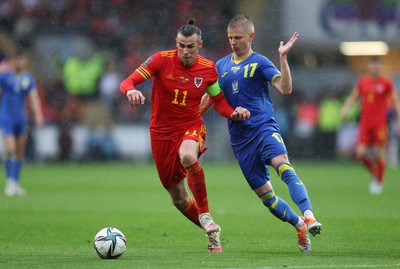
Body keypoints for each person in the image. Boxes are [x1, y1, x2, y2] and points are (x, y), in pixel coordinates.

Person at [119, 18, 250, 253]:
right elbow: (128, 81)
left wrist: (234, 113)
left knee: (189, 157)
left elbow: (218, 101)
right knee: (179, 199)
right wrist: (130, 90)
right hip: (161, 133)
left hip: (191, 126)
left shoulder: (208, 69)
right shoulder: (160, 60)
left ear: (199, 44)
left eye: (190, 46)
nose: (185, 51)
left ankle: (207, 215)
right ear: (176, 43)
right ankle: (211, 231)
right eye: (181, 45)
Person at [201, 15, 321, 252]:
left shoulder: (260, 62)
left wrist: (283, 58)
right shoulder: (220, 66)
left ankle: (308, 215)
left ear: (251, 36)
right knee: (268, 200)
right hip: (240, 140)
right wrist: (189, 123)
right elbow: (208, 100)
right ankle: (298, 224)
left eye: (238, 38)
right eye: (230, 38)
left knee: (283, 167)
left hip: (264, 129)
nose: (233, 42)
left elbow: (285, 88)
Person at [341, 56, 400, 194]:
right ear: (369, 66)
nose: (375, 68)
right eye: (373, 65)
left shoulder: (386, 82)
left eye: (377, 65)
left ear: (380, 67)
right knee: (360, 153)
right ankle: (375, 172)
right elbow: (354, 96)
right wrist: (346, 107)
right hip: (365, 123)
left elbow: (396, 99)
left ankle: (378, 182)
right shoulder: (364, 82)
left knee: (380, 153)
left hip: (379, 123)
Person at [0, 53, 44, 196]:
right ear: (13, 61)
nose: (20, 62)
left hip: (21, 117)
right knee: (10, 148)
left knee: (19, 150)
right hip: (7, 116)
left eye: (22, 59)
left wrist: (38, 114)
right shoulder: (5, 76)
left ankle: (15, 183)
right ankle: (9, 181)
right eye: (17, 59)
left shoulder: (27, 79)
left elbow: (33, 97)